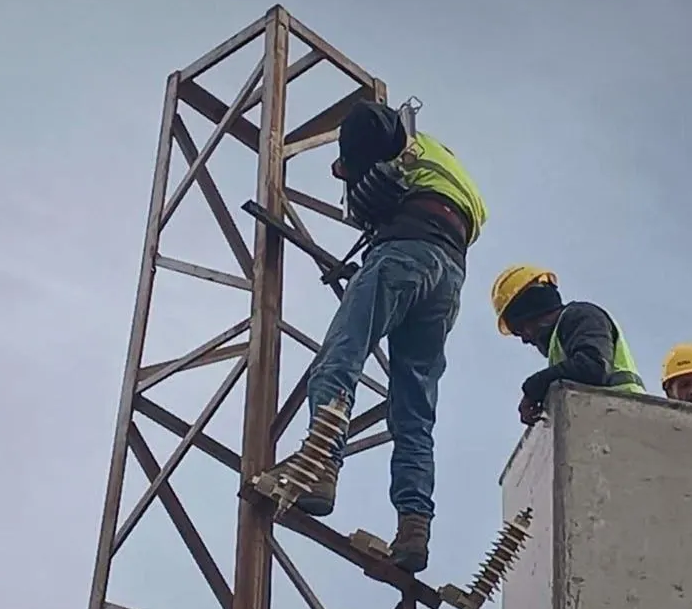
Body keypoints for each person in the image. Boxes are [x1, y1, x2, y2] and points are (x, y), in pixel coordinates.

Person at [266, 100, 488, 575]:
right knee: (413, 406)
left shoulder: (398, 159)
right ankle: (414, 527)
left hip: (404, 254)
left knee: (340, 357)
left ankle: (319, 467)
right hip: (449, 277)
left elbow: (373, 198)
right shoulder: (436, 156)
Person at [490, 265, 646, 426]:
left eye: (519, 330)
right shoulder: (560, 343)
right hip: (611, 422)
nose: (524, 339)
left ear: (530, 312)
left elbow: (592, 367)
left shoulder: (580, 316)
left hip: (627, 418)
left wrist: (533, 387)